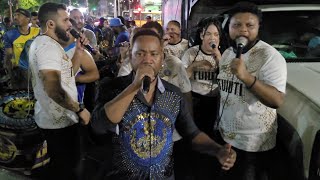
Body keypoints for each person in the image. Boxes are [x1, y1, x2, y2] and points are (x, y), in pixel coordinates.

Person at [91, 28, 236, 179]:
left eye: (154, 54)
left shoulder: (173, 94)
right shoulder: (111, 87)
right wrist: (134, 87)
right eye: (140, 54)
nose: (147, 59)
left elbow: (192, 134)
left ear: (162, 58)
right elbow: (99, 126)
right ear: (131, 56)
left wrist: (217, 150)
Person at [216, 2, 287, 180]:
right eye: (237, 25)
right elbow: (225, 92)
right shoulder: (227, 54)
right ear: (228, 28)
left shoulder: (270, 56)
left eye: (250, 25)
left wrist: (246, 77)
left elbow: (277, 100)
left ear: (258, 28)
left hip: (253, 145)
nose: (243, 30)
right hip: (226, 138)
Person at [28, 2, 91, 179]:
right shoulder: (47, 48)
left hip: (60, 120)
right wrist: (79, 109)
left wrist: (78, 51)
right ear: (50, 24)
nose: (70, 24)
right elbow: (53, 89)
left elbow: (67, 74)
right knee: (66, 170)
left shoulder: (50, 44)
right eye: (65, 20)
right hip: (57, 124)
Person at [181, 17, 223, 179]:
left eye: (216, 34)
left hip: (214, 101)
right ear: (201, 36)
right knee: (194, 136)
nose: (212, 38)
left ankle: (208, 169)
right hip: (195, 100)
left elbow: (229, 79)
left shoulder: (224, 55)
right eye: (208, 34)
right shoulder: (191, 53)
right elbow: (182, 79)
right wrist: (195, 66)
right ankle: (193, 168)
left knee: (212, 138)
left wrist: (219, 59)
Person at [3, 8, 40, 89]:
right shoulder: (9, 35)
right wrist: (10, 73)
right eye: (14, 15)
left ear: (28, 19)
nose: (15, 17)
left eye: (19, 15)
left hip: (37, 71)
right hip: (20, 73)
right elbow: (8, 54)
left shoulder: (38, 32)